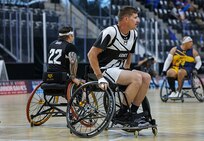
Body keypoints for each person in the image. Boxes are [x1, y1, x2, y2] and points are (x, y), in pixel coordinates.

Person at [87, 6, 151, 126]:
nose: (138, 20)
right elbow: (91, 54)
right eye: (135, 17)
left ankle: (132, 113)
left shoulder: (134, 34)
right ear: (126, 19)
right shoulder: (110, 32)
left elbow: (129, 54)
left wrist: (127, 68)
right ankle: (122, 113)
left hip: (119, 70)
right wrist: (100, 77)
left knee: (146, 77)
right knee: (136, 77)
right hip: (105, 70)